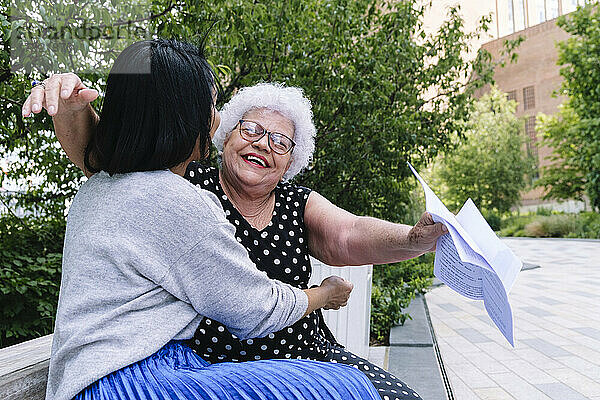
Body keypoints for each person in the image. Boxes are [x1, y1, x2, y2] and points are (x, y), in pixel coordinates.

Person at [24, 81, 448, 400]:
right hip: (209, 364)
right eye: (251, 129)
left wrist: (414, 237)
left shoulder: (296, 203)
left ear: (290, 162)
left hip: (303, 353)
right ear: (220, 133)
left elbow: (348, 233)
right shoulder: (182, 181)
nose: (263, 144)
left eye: (281, 142)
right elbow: (105, 160)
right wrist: (71, 108)